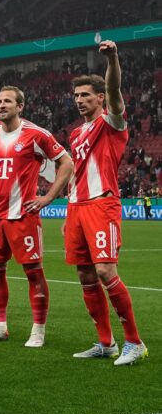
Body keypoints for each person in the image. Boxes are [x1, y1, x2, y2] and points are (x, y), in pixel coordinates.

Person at [0, 86, 73, 347]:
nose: (1, 106)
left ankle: (38, 330)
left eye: (7, 102)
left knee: (33, 273)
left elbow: (66, 162)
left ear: (20, 106)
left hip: (23, 216)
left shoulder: (37, 135)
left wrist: (48, 197)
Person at [66, 41, 146, 365]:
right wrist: (70, 209)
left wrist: (112, 58)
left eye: (86, 95)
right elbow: (78, 172)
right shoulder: (75, 134)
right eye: (76, 96)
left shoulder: (111, 123)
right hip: (77, 207)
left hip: (103, 204)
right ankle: (105, 342)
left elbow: (114, 88)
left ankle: (134, 342)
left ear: (99, 98)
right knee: (86, 275)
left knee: (105, 270)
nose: (80, 100)